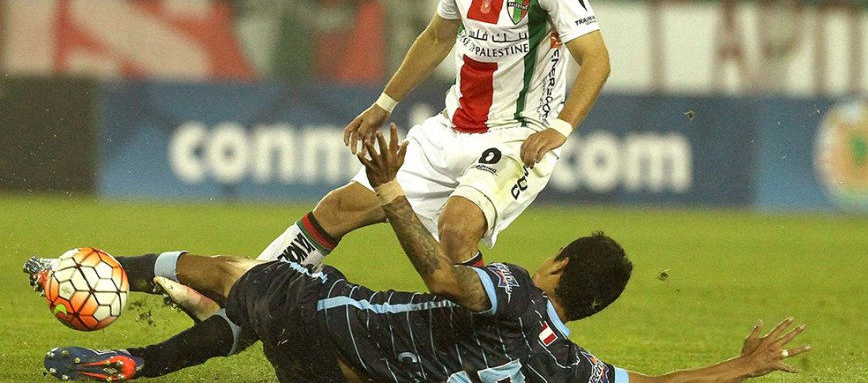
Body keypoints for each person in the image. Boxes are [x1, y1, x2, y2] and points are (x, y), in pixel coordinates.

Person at [26, 0, 611, 301]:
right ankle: (239, 294)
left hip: (515, 138)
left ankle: (485, 337)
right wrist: (384, 104)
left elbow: (596, 60)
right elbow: (437, 35)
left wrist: (559, 128)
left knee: (458, 228)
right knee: (338, 208)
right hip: (449, 129)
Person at [43, 127, 810, 383]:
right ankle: (139, 329)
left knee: (247, 278)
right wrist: (741, 366)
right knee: (247, 319)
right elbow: (657, 382)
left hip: (334, 321)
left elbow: (444, 275)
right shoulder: (574, 370)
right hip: (349, 372)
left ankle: (129, 328)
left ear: (560, 270)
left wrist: (392, 191)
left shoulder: (513, 288)